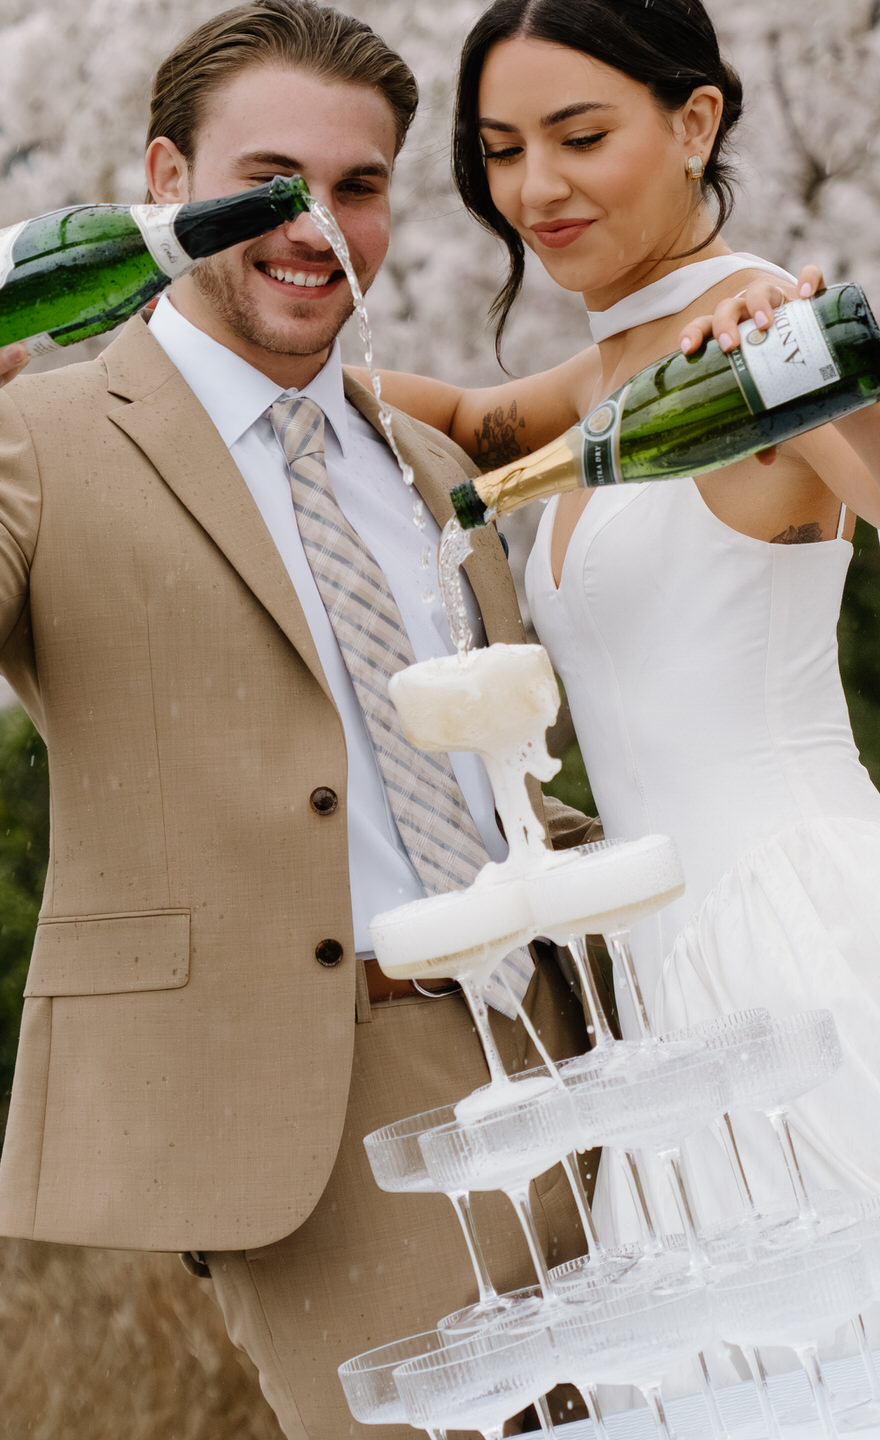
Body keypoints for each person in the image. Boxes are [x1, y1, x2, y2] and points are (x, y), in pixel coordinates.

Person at [0, 4, 601, 1437]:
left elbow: (502, 783)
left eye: (359, 188)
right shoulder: (23, 437)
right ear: (166, 182)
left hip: (566, 1054)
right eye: (272, 182)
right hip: (321, 1103)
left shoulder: (416, 464)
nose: (317, 226)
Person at [359, 0, 880, 1250]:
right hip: (661, 965)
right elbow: (444, 420)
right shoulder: (607, 374)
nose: (536, 187)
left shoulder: (763, 340)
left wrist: (826, 378)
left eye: (581, 136)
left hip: (794, 926)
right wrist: (198, 346)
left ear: (695, 120)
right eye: (499, 149)